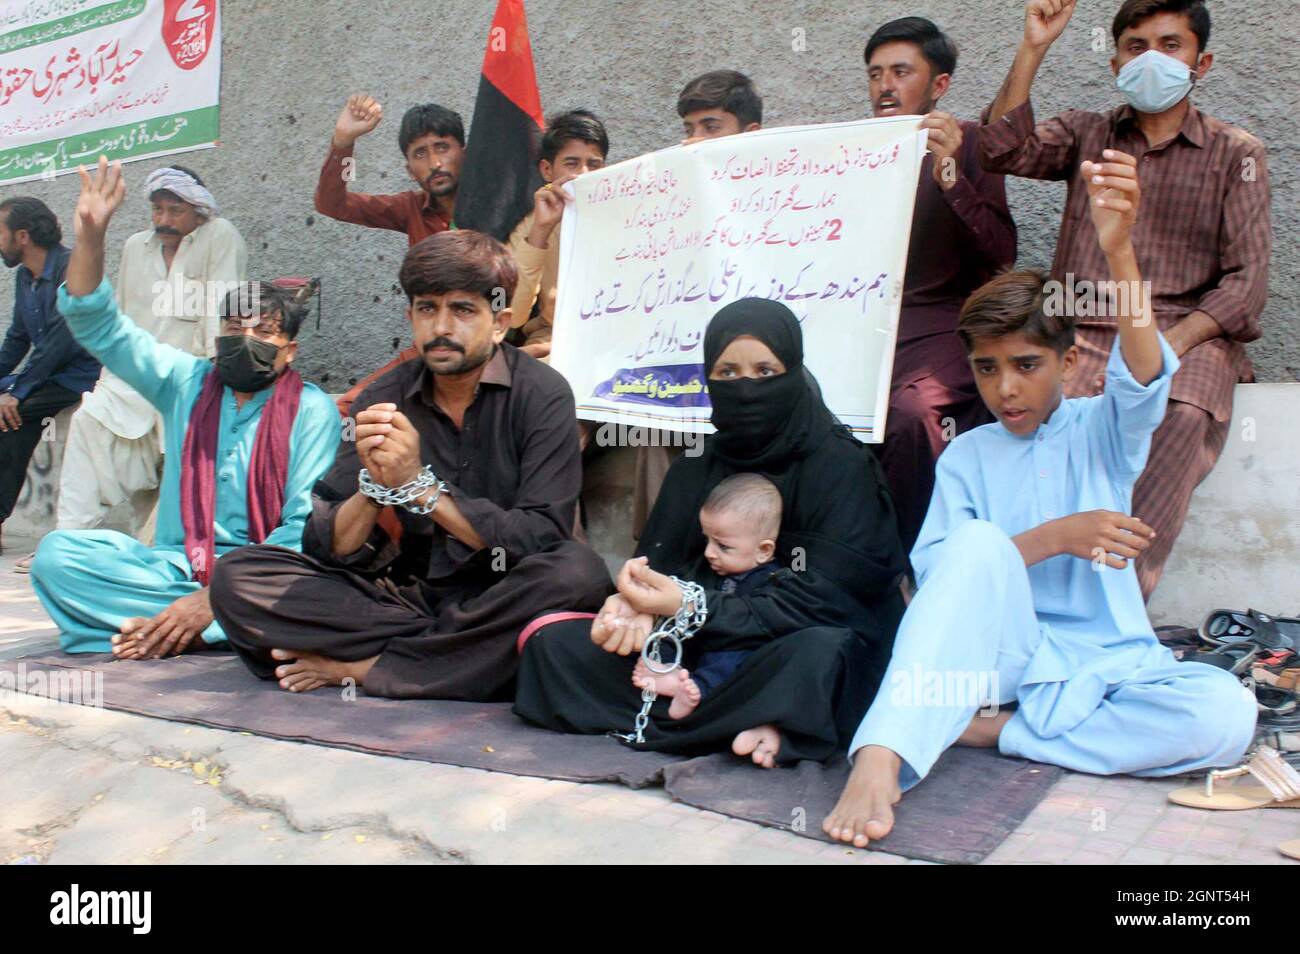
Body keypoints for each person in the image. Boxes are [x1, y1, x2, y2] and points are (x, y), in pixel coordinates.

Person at [823, 148, 1255, 848]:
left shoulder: (1102, 432)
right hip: (1005, 658)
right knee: (975, 544)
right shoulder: (967, 455)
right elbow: (943, 584)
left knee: (1226, 715)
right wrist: (1055, 536)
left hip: (1104, 660)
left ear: (1070, 362)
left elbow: (1145, 373)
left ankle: (995, 732)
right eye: (986, 370)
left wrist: (1119, 252)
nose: (1006, 389)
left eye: (1027, 366)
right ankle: (880, 757)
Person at [208, 230, 613, 700]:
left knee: (577, 576)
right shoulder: (384, 397)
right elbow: (327, 547)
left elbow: (541, 536)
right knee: (239, 576)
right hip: (410, 603)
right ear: (410, 316)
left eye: (462, 310)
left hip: (509, 594)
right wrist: (373, 487)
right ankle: (461, 659)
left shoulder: (543, 394)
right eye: (427, 309)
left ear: (500, 322)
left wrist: (419, 487)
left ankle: (365, 669)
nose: (441, 327)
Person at [513, 297, 908, 767]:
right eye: (727, 374)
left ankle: (711, 717)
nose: (747, 388)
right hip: (694, 656)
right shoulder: (700, 461)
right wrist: (634, 607)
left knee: (823, 656)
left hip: (784, 647)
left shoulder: (839, 465)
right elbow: (656, 566)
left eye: (765, 371)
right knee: (551, 649)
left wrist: (691, 605)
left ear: (795, 371)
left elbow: (829, 601)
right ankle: (750, 723)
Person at [978, 0, 1270, 598]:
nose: (1153, 59)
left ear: (1202, 61)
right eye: (1137, 47)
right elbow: (999, 150)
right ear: (1115, 61)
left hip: (1185, 333)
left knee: (1180, 411)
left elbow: (1245, 287)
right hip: (1078, 325)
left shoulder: (1236, 153)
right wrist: (1034, 46)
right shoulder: (1086, 133)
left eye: (1171, 45)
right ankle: (1020, 594)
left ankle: (1120, 604)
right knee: (1037, 402)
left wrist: (1163, 350)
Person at [29, 158, 340, 658]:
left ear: (289, 350)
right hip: (173, 565)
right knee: (56, 558)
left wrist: (218, 595)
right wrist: (90, 233)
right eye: (234, 330)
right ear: (216, 336)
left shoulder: (312, 410)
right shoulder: (186, 382)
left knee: (313, 588)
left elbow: (301, 527)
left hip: (256, 576)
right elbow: (100, 326)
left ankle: (177, 624)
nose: (246, 341)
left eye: (263, 333)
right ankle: (183, 626)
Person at [32, 165, 247, 559]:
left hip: (192, 376)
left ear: (199, 210)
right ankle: (69, 546)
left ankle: (162, 555)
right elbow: (121, 316)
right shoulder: (135, 246)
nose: (163, 220)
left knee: (175, 483)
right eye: (157, 209)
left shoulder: (220, 236)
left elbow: (225, 312)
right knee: (88, 422)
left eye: (174, 210)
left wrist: (221, 381)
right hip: (132, 378)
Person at [864, 17, 1017, 554]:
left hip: (943, 327)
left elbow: (1001, 254)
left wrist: (950, 173)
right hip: (861, 331)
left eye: (901, 72)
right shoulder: (857, 152)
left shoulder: (969, 142)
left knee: (912, 416)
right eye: (876, 73)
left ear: (940, 85)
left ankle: (914, 564)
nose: (885, 85)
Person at [627, 70, 766, 539]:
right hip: (691, 365)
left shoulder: (790, 201)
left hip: (763, 371)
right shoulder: (674, 206)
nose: (693, 143)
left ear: (750, 136)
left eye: (710, 127)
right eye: (687, 130)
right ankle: (656, 557)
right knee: (653, 420)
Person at [319, 96, 466, 417]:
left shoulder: (500, 203)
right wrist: (344, 142)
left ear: (463, 153)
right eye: (420, 154)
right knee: (349, 410)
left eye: (443, 147)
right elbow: (334, 204)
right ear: (410, 169)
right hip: (429, 348)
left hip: (490, 343)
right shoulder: (410, 208)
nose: (435, 163)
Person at [630, 473, 782, 720]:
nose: (710, 553)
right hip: (702, 640)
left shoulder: (770, 580)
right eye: (707, 540)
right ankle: (661, 668)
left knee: (732, 657)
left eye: (723, 546)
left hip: (735, 647)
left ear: (763, 551)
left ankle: (696, 690)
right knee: (671, 629)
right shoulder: (710, 570)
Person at [0, 197, 100, 553]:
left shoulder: (70, 267)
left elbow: (59, 340)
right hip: (46, 374)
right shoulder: (25, 277)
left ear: (22, 236)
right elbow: (17, 338)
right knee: (8, 412)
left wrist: (19, 391)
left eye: (1, 232)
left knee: (12, 415)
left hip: (80, 375)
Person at [506, 109, 609, 362]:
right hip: (554, 340)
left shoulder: (627, 213)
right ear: (547, 170)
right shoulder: (530, 225)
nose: (584, 174)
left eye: (593, 164)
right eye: (572, 163)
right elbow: (510, 313)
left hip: (619, 336)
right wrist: (541, 232)